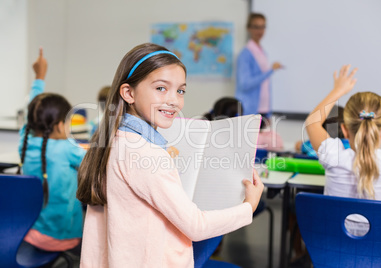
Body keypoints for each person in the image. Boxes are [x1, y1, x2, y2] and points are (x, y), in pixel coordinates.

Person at [76, 43, 264, 267]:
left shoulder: (112, 140)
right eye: (161, 88)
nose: (174, 100)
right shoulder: (144, 153)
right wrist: (248, 207)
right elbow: (196, 226)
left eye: (180, 90)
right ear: (128, 93)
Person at [305, 64, 381, 235]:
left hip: (331, 254)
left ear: (344, 130)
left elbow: (312, 123)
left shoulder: (333, 156)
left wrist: (338, 90)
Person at [18, 48, 86, 251]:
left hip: (28, 233)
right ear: (58, 125)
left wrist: (39, 77)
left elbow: (34, 107)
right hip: (64, 238)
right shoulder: (67, 149)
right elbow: (96, 161)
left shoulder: (25, 141)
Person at [235, 13, 283, 117]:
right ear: (248, 28)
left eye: (263, 27)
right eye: (256, 27)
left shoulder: (262, 52)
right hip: (249, 111)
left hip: (263, 109)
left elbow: (266, 86)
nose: (260, 31)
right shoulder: (246, 54)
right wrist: (270, 71)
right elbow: (245, 84)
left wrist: (269, 113)